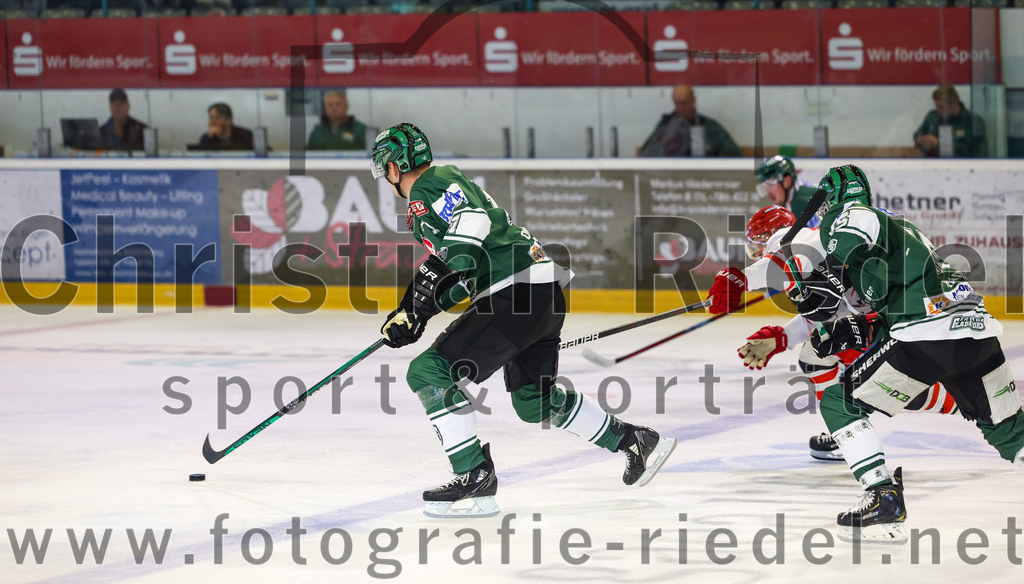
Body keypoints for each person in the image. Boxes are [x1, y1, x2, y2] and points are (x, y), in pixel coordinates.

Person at [373, 122, 676, 518]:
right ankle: (633, 441)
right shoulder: (429, 200)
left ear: (394, 167)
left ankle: (474, 477)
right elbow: (442, 267)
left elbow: (470, 235)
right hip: (541, 294)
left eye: (386, 170)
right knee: (535, 402)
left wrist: (433, 299)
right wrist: (410, 310)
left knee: (429, 372)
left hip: (515, 293)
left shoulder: (432, 183)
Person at [790, 164, 1023, 542]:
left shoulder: (848, 215)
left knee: (839, 402)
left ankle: (882, 496)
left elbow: (856, 225)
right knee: (1010, 432)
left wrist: (828, 275)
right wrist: (844, 326)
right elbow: (885, 302)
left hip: (928, 333)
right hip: (975, 329)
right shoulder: (901, 228)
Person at [706, 204, 960, 461]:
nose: (756, 253)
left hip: (908, 317)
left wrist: (738, 279)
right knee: (817, 355)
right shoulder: (820, 252)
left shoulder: (796, 239)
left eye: (755, 245)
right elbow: (830, 313)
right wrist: (783, 337)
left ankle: (963, 399)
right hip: (913, 311)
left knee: (876, 384)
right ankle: (844, 432)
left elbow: (781, 260)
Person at [640, 84, 742, 158]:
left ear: (693, 101)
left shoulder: (709, 126)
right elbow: (647, 152)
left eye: (684, 103)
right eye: (677, 103)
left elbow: (734, 155)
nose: (680, 108)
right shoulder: (666, 124)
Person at [913, 84, 986, 158]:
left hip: (962, 166)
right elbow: (918, 133)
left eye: (942, 107)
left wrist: (939, 144)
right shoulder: (932, 116)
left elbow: (967, 150)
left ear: (954, 104)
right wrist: (921, 139)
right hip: (931, 164)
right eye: (936, 106)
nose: (938, 110)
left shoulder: (972, 121)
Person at [755, 155, 819, 227]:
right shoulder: (788, 202)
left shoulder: (807, 200)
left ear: (787, 181)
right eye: (764, 187)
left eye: (770, 185)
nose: (768, 192)